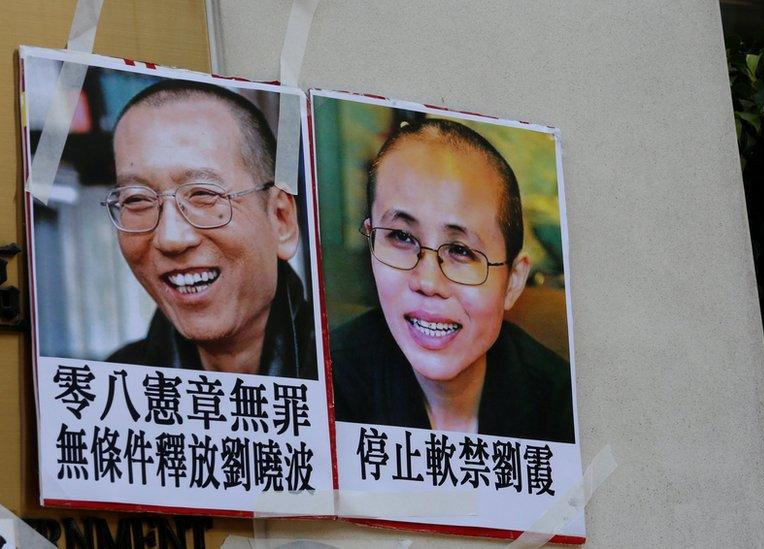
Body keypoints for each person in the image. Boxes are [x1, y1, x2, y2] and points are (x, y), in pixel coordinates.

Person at [331, 118, 575, 443]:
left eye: (460, 250)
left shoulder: (560, 409)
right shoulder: (327, 384)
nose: (428, 282)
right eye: (402, 237)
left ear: (513, 282)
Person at [104, 79, 317, 380]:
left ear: (280, 219)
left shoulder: (354, 378)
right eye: (137, 199)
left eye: (203, 195)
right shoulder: (117, 384)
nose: (170, 238)